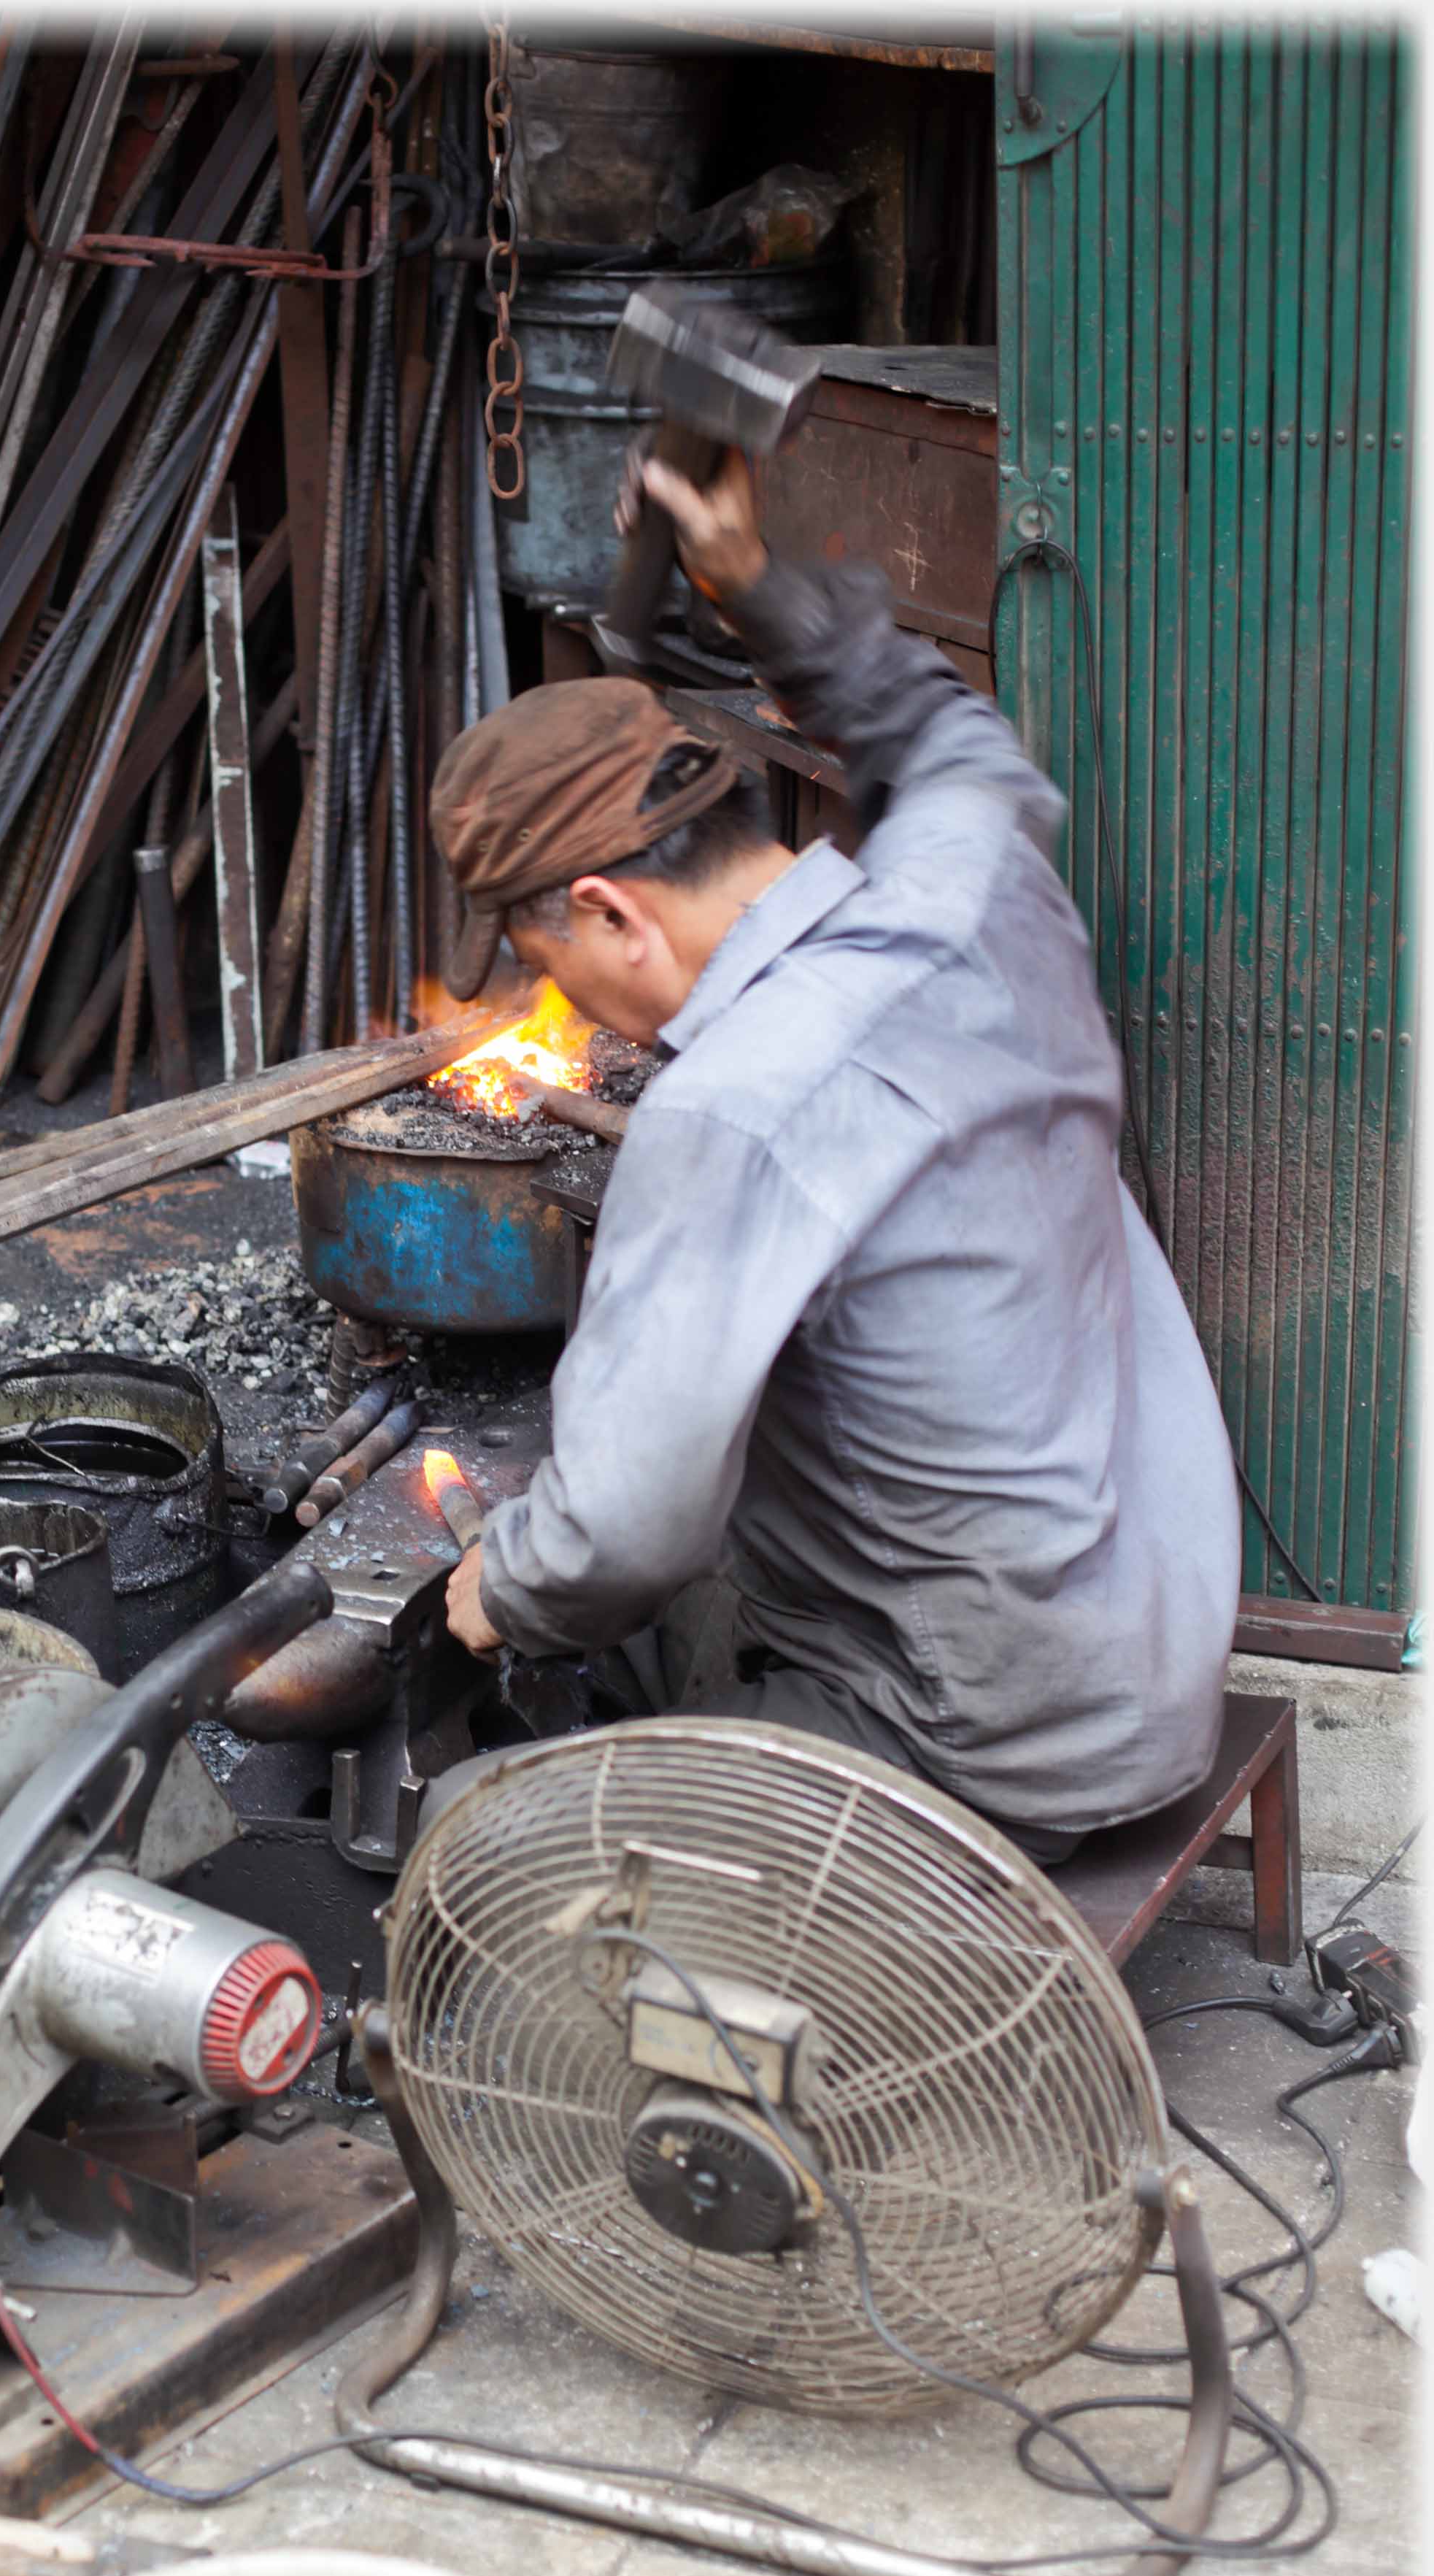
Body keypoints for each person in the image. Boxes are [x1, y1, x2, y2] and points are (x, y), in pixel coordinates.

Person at [429, 447, 1240, 1866]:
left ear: (615, 912)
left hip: (987, 1744)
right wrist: (756, 588)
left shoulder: (731, 1109)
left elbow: (626, 1529)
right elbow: (950, 746)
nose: (559, 1005)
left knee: (484, 1852)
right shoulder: (979, 881)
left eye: (549, 962)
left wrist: (503, 1586)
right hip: (1158, 1635)